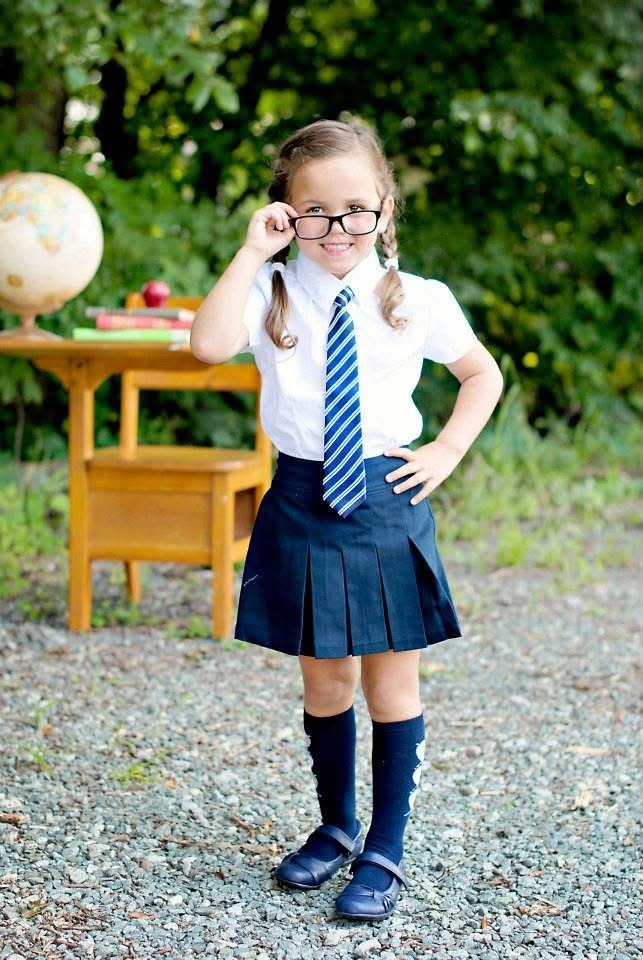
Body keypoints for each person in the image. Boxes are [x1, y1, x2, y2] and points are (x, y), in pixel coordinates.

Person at [190, 119, 503, 921]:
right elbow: (205, 344)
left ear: (384, 210)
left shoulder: (418, 299)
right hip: (298, 496)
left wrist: (446, 449)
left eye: (355, 209)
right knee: (325, 677)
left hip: (383, 501)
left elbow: (480, 375)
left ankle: (385, 849)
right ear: (286, 214)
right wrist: (252, 252)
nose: (337, 228)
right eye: (315, 211)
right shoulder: (272, 288)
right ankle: (335, 826)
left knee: (389, 680)